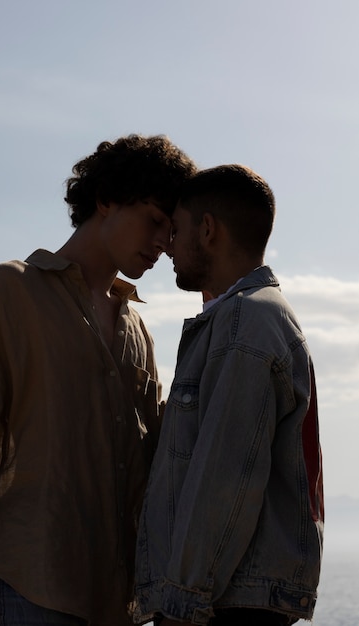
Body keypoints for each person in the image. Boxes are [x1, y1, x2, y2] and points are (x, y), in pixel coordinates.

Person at [0, 134, 196, 626]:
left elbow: (154, 463)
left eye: (172, 228)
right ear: (105, 200)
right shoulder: (11, 289)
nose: (164, 243)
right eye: (156, 220)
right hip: (22, 586)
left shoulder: (137, 329)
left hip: (115, 600)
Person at [134, 165, 324, 626]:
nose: (168, 246)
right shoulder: (250, 317)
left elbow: (225, 476)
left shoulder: (246, 321)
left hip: (224, 605)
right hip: (232, 597)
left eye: (176, 230)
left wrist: (184, 601)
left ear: (207, 229)